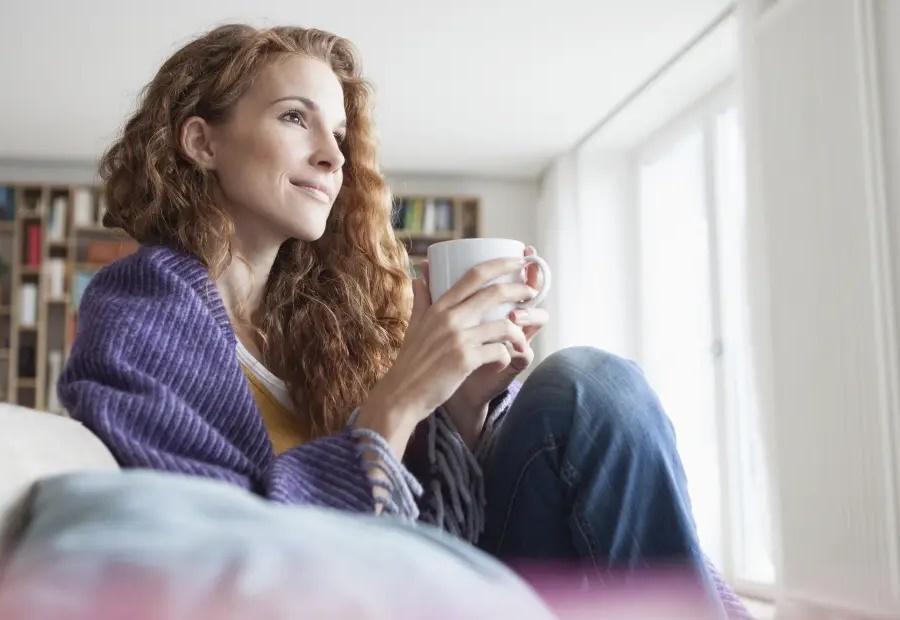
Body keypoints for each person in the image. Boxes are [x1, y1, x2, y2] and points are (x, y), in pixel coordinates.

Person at [57, 23, 746, 618]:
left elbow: (444, 525)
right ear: (202, 142)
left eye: (339, 134)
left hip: (440, 572)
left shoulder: (327, 320)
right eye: (295, 118)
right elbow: (214, 546)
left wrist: (464, 404)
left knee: (589, 385)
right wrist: (399, 401)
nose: (333, 156)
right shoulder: (141, 308)